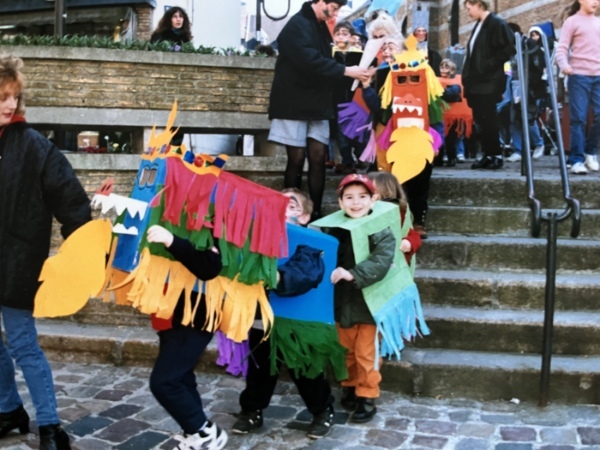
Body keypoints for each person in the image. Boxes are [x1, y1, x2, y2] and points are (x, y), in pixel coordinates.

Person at [0, 54, 92, 450]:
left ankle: (51, 427)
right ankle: (8, 410)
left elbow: (72, 201)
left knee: (23, 345)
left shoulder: (35, 146)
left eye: (14, 96)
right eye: (3, 96)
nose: (9, 104)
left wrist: (82, 253)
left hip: (17, 265)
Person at [232, 188, 340, 440]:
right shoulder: (256, 238)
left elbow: (307, 273)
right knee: (260, 369)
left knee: (306, 370)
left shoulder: (313, 242)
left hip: (298, 322)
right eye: (276, 205)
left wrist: (278, 276)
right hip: (262, 317)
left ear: (304, 217)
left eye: (290, 206)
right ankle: (252, 411)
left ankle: (323, 410)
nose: (282, 209)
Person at [268, 0, 372, 221]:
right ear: (321, 2)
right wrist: (346, 71)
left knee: (317, 157)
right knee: (295, 159)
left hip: (316, 102)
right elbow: (310, 61)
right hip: (293, 102)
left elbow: (321, 62)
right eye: (334, 8)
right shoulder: (298, 24)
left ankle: (315, 212)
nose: (335, 13)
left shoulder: (317, 25)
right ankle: (289, 213)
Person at [146, 225, 228, 450]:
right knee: (181, 378)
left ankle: (205, 432)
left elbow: (209, 267)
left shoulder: (213, 223)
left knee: (164, 382)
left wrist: (172, 240)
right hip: (170, 315)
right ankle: (195, 434)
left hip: (194, 316)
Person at [328, 174, 396, 423]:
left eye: (362, 197)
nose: (355, 203)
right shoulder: (333, 227)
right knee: (344, 349)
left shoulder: (382, 229)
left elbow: (381, 261)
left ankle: (367, 394)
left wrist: (352, 273)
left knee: (367, 353)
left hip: (368, 304)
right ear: (340, 202)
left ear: (373, 199)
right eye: (349, 197)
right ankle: (349, 384)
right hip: (340, 304)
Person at [462, 0, 515, 170]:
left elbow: (508, 48)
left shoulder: (496, 24)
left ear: (478, 4)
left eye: (469, 9)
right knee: (482, 119)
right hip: (478, 82)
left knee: (488, 118)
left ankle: (495, 155)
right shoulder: (480, 24)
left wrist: (487, 66)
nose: (468, 13)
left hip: (488, 81)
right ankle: (488, 154)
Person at [555, 0, 600, 175]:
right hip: (579, 76)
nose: (595, 2)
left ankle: (590, 152)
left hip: (598, 75)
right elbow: (562, 48)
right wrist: (564, 64)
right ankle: (576, 159)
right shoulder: (572, 21)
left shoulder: (598, 22)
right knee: (578, 119)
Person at [506, 24, 547, 163]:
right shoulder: (511, 48)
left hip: (529, 87)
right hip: (514, 85)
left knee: (528, 117)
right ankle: (518, 150)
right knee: (514, 119)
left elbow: (539, 66)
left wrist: (534, 88)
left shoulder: (528, 45)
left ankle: (538, 143)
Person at [367, 172, 422, 263]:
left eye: (374, 192)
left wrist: (408, 242)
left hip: (392, 262)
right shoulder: (359, 211)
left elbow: (412, 234)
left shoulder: (399, 213)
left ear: (387, 193)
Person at [436, 59, 472, 166]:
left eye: (446, 68)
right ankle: (439, 159)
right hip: (440, 115)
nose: (443, 70)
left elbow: (452, 94)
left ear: (452, 70)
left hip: (454, 116)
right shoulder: (436, 81)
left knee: (451, 139)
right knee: (439, 138)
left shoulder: (456, 82)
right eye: (442, 67)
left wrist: (438, 92)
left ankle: (452, 158)